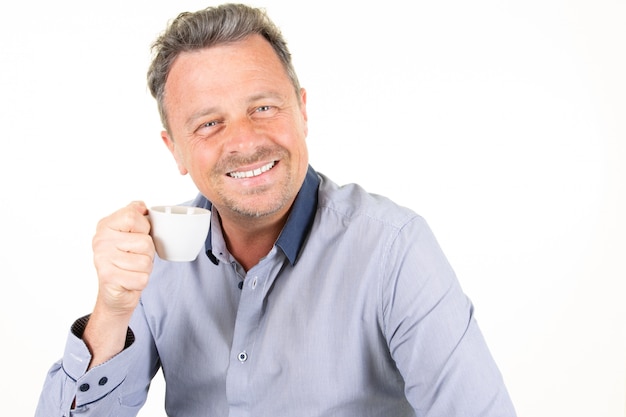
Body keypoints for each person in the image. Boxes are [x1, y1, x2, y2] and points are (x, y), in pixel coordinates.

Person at [35, 3, 517, 416]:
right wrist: (113, 311)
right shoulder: (156, 255)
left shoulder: (394, 249)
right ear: (175, 150)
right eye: (208, 123)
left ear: (302, 111)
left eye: (263, 108)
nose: (244, 141)